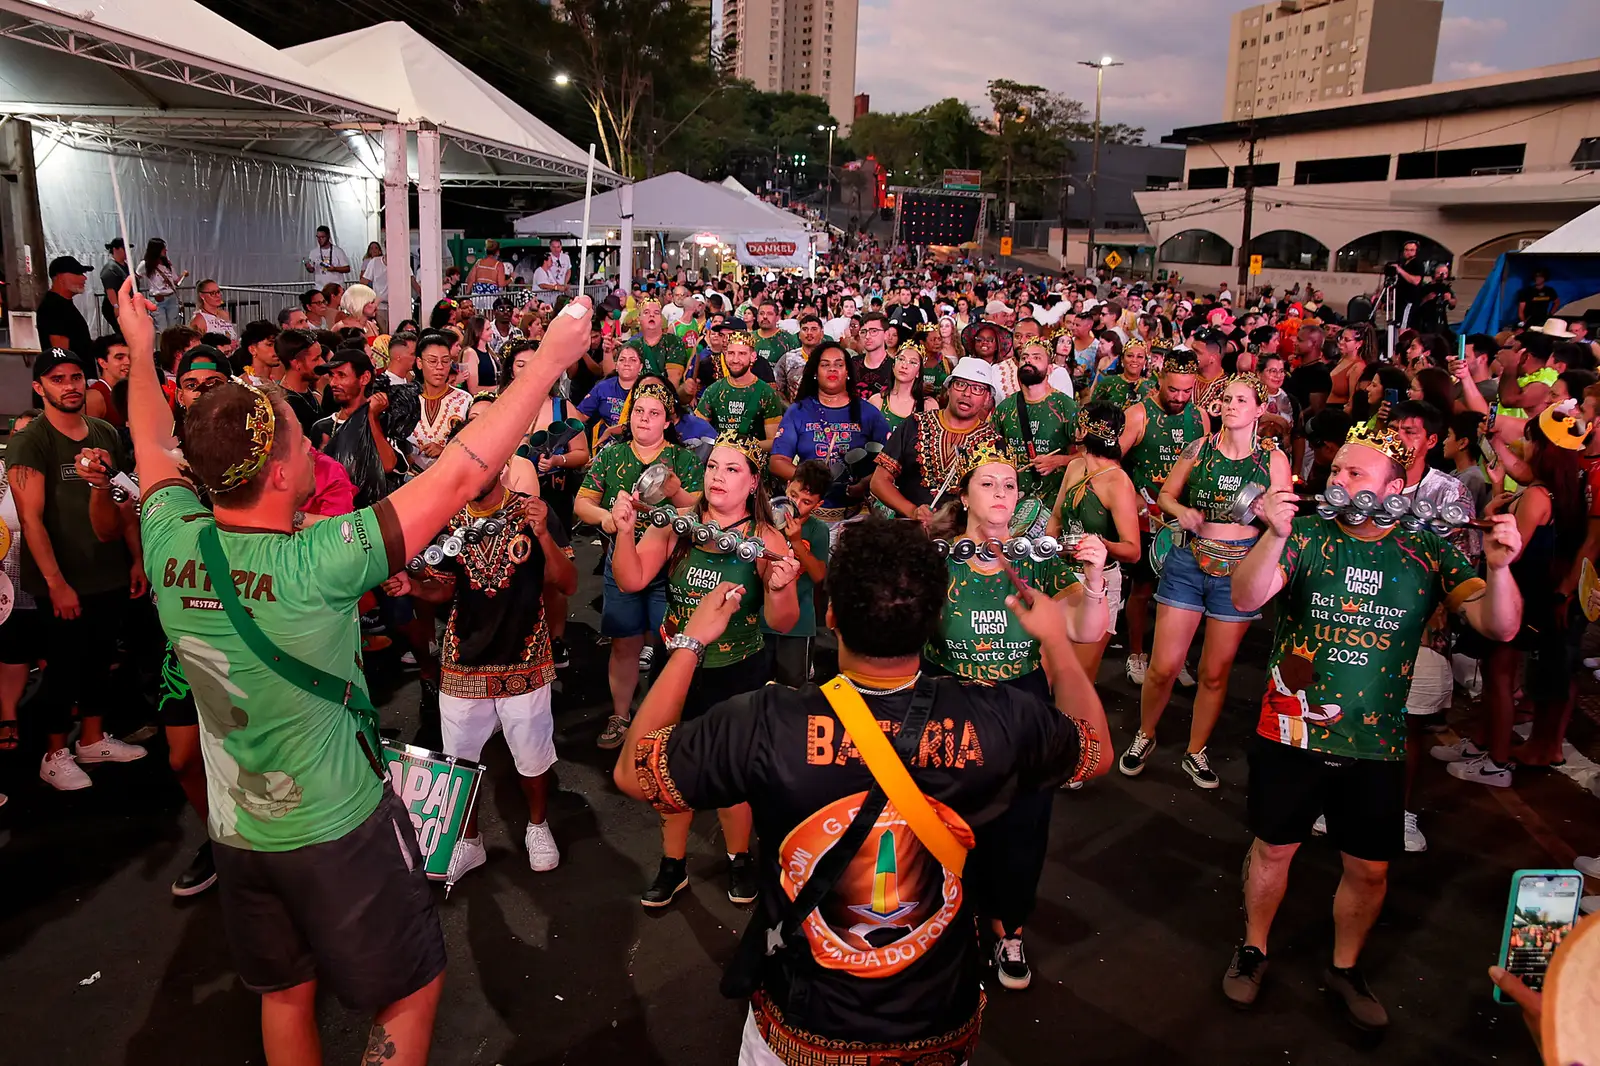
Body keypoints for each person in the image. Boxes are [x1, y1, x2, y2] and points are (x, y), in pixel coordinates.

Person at [122, 271, 593, 1064]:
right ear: (277, 474)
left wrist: (139, 352)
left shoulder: (171, 536)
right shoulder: (321, 560)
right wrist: (547, 362)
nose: (313, 448)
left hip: (238, 832)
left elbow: (149, 444)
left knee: (283, 993)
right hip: (336, 828)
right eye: (302, 444)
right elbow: (461, 474)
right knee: (408, 990)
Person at [611, 516, 1110, 1063]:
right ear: (937, 617)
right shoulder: (999, 717)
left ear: (829, 614)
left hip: (804, 1019)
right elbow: (1096, 753)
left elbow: (636, 774)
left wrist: (688, 643)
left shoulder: (766, 721)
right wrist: (1058, 646)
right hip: (936, 1016)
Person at [1222, 421, 1522, 1030]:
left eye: (1355, 473)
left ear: (1394, 488)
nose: (1339, 480)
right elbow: (1248, 596)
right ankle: (1253, 948)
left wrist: (1501, 567)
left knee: (1369, 867)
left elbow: (1501, 627)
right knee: (1274, 848)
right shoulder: (1304, 534)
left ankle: (1345, 966)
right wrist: (1274, 536)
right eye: (1336, 471)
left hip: (1376, 742)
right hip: (1291, 731)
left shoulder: (1428, 549)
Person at [925, 439, 1109, 989]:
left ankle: (1010, 932)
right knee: (945, 826)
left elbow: (1085, 629)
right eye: (988, 483)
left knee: (1022, 827)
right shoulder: (936, 559)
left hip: (1022, 702)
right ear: (964, 494)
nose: (1002, 492)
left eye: (1010, 484)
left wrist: (1097, 579)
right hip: (950, 704)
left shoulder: (1036, 559)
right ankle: (948, 927)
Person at [608, 433, 800, 907]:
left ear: (754, 480)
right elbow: (632, 578)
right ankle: (673, 865)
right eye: (713, 466)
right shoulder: (679, 524)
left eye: (732, 469)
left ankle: (739, 858)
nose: (718, 476)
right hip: (680, 670)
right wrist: (626, 529)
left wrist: (780, 589)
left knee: (734, 773)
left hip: (739, 670)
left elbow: (783, 622)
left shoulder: (764, 539)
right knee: (665, 766)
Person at [408, 445, 577, 880]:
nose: (475, 471)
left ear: (502, 465)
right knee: (459, 762)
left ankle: (537, 827)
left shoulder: (533, 511)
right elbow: (442, 589)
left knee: (533, 756)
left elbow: (568, 582)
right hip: (464, 662)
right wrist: (409, 586)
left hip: (526, 655)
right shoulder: (447, 518)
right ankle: (469, 842)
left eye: (483, 461)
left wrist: (541, 535)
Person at [1121, 375, 1289, 788]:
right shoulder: (1199, 448)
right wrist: (1181, 510)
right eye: (1226, 398)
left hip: (1240, 571)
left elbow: (1285, 520)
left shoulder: (1273, 459)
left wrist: (1268, 517)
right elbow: (1164, 495)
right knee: (1162, 667)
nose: (1230, 405)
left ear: (1258, 409)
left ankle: (1196, 751)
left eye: (1241, 400)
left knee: (1215, 673)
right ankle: (1145, 735)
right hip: (1189, 562)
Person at [10, 347, 148, 791]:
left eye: (75, 377)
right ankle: (54, 754)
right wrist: (55, 583)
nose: (69, 386)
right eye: (57, 379)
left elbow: (123, 499)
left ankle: (91, 738)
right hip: (62, 580)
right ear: (39, 387)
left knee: (100, 659)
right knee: (63, 666)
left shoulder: (105, 431)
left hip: (107, 570)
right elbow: (29, 519)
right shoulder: (32, 440)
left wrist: (138, 558)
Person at [572, 379, 703, 751]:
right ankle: (621, 715)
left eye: (654, 413)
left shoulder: (682, 458)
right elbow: (582, 501)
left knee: (674, 645)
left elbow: (698, 509)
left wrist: (675, 490)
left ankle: (665, 721)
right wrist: (605, 518)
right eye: (639, 412)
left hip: (671, 563)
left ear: (667, 421)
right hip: (623, 560)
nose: (644, 419)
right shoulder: (612, 455)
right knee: (624, 643)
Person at [1117, 348, 1206, 685]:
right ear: (1159, 380)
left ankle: (1173, 657)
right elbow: (1113, 465)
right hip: (1145, 517)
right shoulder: (1138, 415)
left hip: (1184, 519)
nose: (1180, 397)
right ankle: (1137, 654)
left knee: (1183, 593)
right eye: (1173, 390)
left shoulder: (1200, 418)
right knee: (1141, 589)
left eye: (1187, 391)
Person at [1050, 403, 1142, 681]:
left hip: (1098, 584)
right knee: (1050, 675)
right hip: (1061, 578)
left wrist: (1100, 545)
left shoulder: (1118, 482)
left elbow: (1133, 550)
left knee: (1077, 681)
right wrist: (1046, 551)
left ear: (1083, 431)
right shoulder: (1075, 466)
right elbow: (1056, 517)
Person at [871, 358, 1004, 525]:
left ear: (987, 399)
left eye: (977, 389)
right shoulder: (915, 424)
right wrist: (912, 511)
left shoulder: (992, 443)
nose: (967, 393)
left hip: (964, 540)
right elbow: (879, 481)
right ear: (948, 389)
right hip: (910, 533)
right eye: (960, 385)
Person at [990, 339, 1077, 534]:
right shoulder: (1005, 408)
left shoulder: (1066, 406)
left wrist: (1060, 460)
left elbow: (1090, 456)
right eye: (1025, 358)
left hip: (1054, 506)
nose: (1029, 361)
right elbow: (992, 453)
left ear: (1050, 367)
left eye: (1037, 357)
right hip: (1012, 506)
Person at [0, 410, 44, 777]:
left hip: (51, 574)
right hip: (8, 579)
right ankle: (9, 715)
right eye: (16, 433)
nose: (20, 440)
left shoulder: (51, 470)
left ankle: (59, 716)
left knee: (52, 649)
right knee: (13, 649)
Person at [763, 459, 831, 687]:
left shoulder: (817, 530)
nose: (796, 505)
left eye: (806, 502)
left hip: (799, 625)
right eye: (793, 495)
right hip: (759, 619)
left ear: (818, 504)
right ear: (788, 484)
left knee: (792, 688)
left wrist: (797, 542)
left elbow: (819, 576)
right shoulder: (763, 519)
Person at [311, 348, 402, 510]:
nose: (333, 383)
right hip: (336, 521)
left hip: (377, 517)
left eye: (341, 375)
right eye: (331, 376)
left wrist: (372, 418)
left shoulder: (386, 420)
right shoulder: (321, 428)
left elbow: (388, 465)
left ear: (364, 378)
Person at [696, 331, 785, 447]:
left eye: (742, 354)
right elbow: (697, 431)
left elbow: (774, 442)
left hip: (753, 462)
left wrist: (740, 448)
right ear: (725, 354)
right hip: (719, 459)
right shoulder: (713, 391)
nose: (735, 360)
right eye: (731, 353)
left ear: (753, 357)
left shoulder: (766, 393)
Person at [409, 331, 474, 473]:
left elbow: (475, 448)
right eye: (432, 361)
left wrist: (445, 451)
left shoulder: (464, 401)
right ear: (419, 363)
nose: (439, 367)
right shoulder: (406, 400)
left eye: (445, 361)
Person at [868, 339, 939, 432]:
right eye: (901, 359)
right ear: (893, 366)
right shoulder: (876, 401)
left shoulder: (929, 406)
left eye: (912, 362)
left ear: (918, 372)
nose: (904, 366)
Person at [37, 256, 95, 360]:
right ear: (60, 277)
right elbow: (61, 353)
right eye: (78, 273)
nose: (84, 278)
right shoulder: (53, 307)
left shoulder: (63, 303)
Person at [625, 299, 691, 386]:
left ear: (661, 319)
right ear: (639, 319)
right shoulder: (632, 345)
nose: (651, 315)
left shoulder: (673, 342)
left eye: (656, 313)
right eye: (646, 312)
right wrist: (608, 352)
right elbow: (622, 376)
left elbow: (673, 381)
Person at [140, 238, 189, 331]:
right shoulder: (146, 264)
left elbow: (176, 282)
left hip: (171, 298)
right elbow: (136, 277)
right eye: (163, 248)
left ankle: (172, 345)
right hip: (158, 299)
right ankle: (163, 345)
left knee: (173, 328)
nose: (165, 250)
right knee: (162, 328)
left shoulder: (167, 264)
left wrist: (183, 275)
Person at [85, 334, 131, 428]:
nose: (128, 362)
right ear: (103, 363)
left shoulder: (131, 390)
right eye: (119, 357)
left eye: (130, 357)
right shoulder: (95, 397)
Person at [188, 279, 239, 348]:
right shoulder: (199, 319)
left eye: (218, 292)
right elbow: (195, 347)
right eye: (213, 293)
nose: (218, 296)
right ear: (202, 296)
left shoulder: (224, 314)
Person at [305, 224, 351, 289]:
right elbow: (312, 270)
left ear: (328, 236)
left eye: (322, 237)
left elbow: (347, 268)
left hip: (336, 287)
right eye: (318, 237)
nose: (319, 239)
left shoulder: (338, 251)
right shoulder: (313, 252)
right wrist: (308, 267)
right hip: (320, 287)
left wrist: (335, 269)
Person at [99, 237, 130, 329]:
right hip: (115, 304)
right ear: (115, 249)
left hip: (124, 303)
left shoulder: (125, 266)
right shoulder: (110, 268)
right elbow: (110, 289)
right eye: (124, 249)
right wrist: (116, 306)